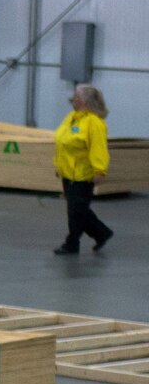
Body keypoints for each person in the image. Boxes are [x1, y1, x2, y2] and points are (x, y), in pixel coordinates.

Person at [53, 83, 114, 255]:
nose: (73, 99)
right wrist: (58, 165)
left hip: (83, 175)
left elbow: (98, 148)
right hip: (68, 173)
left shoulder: (94, 123)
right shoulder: (71, 117)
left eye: (77, 96)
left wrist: (100, 170)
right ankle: (102, 233)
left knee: (76, 212)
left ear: (84, 101)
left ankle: (71, 244)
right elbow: (62, 143)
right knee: (79, 210)